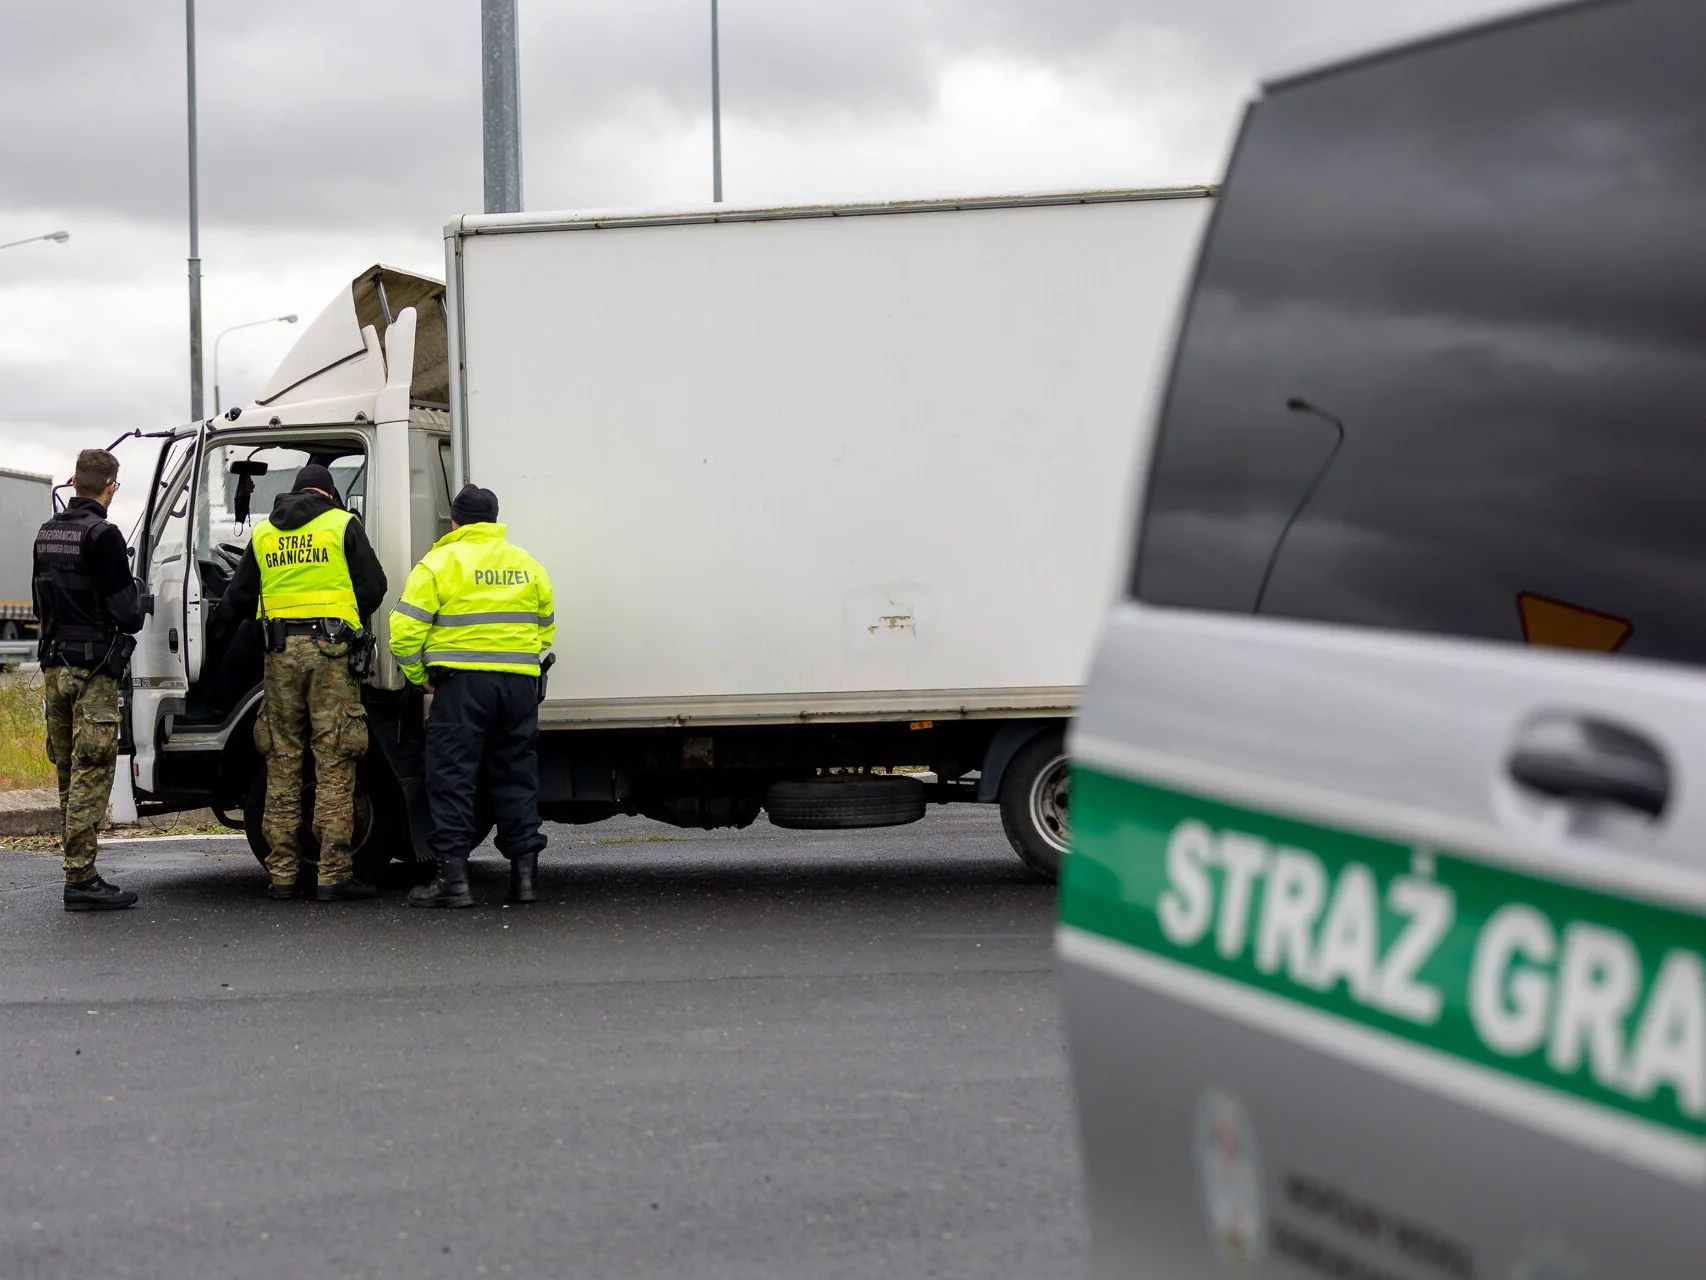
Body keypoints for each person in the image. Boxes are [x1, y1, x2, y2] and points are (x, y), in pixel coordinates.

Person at [216, 463, 387, 901]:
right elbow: (374, 586)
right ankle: (332, 875)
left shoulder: (264, 534)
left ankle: (283, 875)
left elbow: (237, 600)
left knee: (282, 758)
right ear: (330, 494)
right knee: (334, 758)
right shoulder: (342, 524)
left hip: (279, 656)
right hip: (331, 654)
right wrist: (344, 618)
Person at [390, 484, 554, 908]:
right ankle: (525, 882)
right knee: (516, 776)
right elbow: (545, 625)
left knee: (453, 778)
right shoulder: (525, 563)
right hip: (519, 686)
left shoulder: (439, 563)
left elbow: (404, 632)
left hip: (462, 688)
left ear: (455, 520)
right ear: (495, 519)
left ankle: (454, 883)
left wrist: (419, 676)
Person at [33, 448, 146, 911]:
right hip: (92, 672)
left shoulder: (46, 534)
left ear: (74, 482)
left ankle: (76, 868)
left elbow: (42, 605)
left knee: (67, 771)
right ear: (110, 487)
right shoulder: (104, 535)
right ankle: (80, 879)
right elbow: (126, 613)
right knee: (91, 772)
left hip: (55, 668)